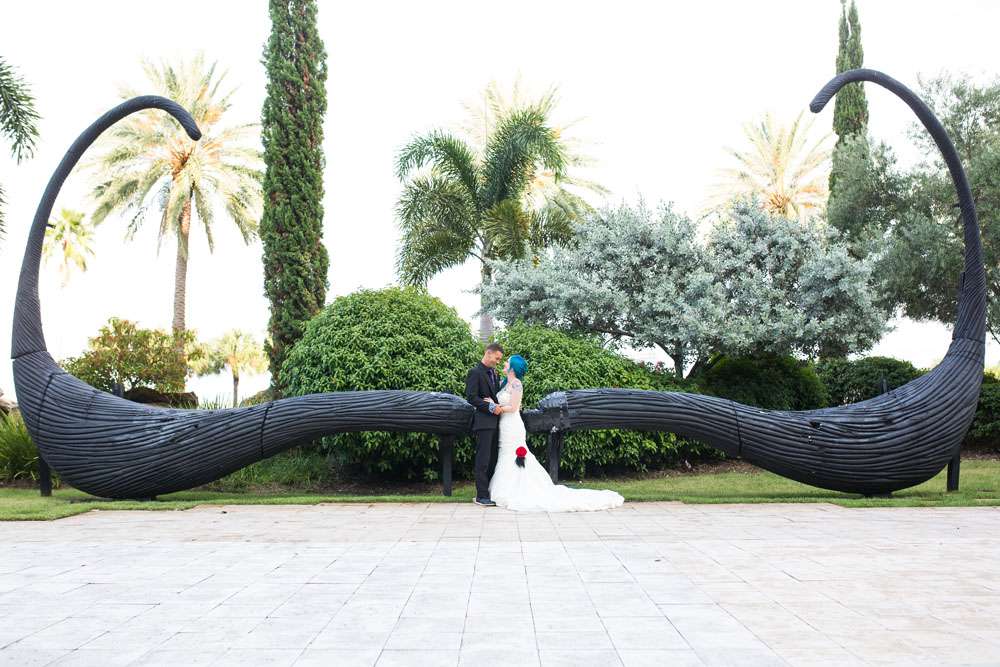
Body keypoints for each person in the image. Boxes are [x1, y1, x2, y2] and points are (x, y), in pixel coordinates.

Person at [488, 354, 625, 512]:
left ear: (513, 367)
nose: (504, 363)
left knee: (513, 453)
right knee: (505, 453)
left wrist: (494, 406)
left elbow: (513, 407)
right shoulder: (505, 383)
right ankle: (508, 486)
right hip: (504, 425)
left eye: (507, 362)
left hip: (513, 424)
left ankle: (516, 489)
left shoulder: (517, 384)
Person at [464, 342, 505, 506]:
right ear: (488, 353)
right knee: (483, 459)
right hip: (483, 422)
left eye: (500, 359)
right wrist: (491, 407)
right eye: (497, 358)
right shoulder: (475, 372)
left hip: (496, 422)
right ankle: (481, 495)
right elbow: (471, 398)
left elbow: (496, 396)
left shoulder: (495, 373)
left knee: (493, 459)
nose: (498, 362)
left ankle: (489, 492)